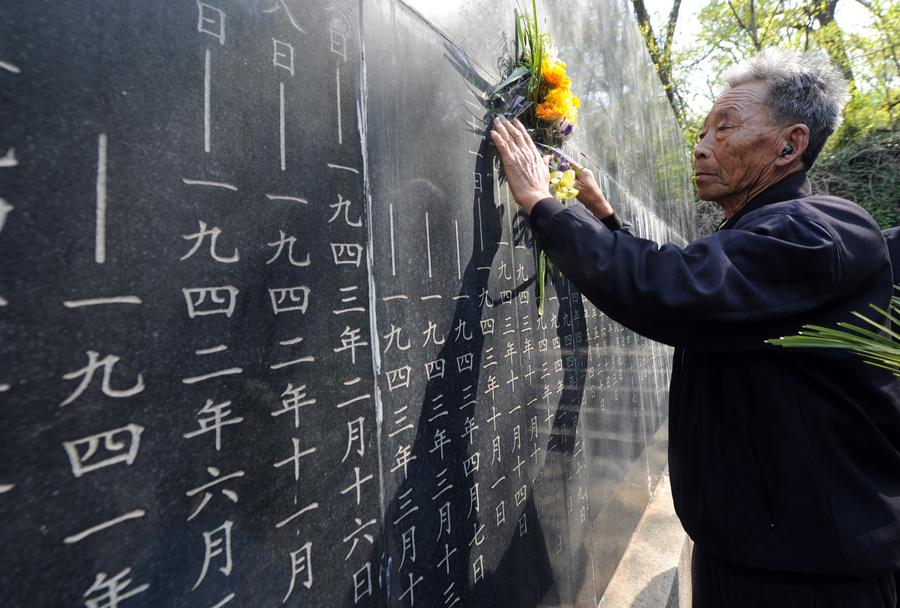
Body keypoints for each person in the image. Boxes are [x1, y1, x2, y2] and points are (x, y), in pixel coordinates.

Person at [490, 48, 900, 607]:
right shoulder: (766, 229)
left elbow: (679, 291)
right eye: (703, 129)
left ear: (790, 144)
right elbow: (705, 285)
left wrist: (542, 202)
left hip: (808, 575)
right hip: (753, 551)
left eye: (724, 127)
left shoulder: (820, 231)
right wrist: (606, 219)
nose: (701, 145)